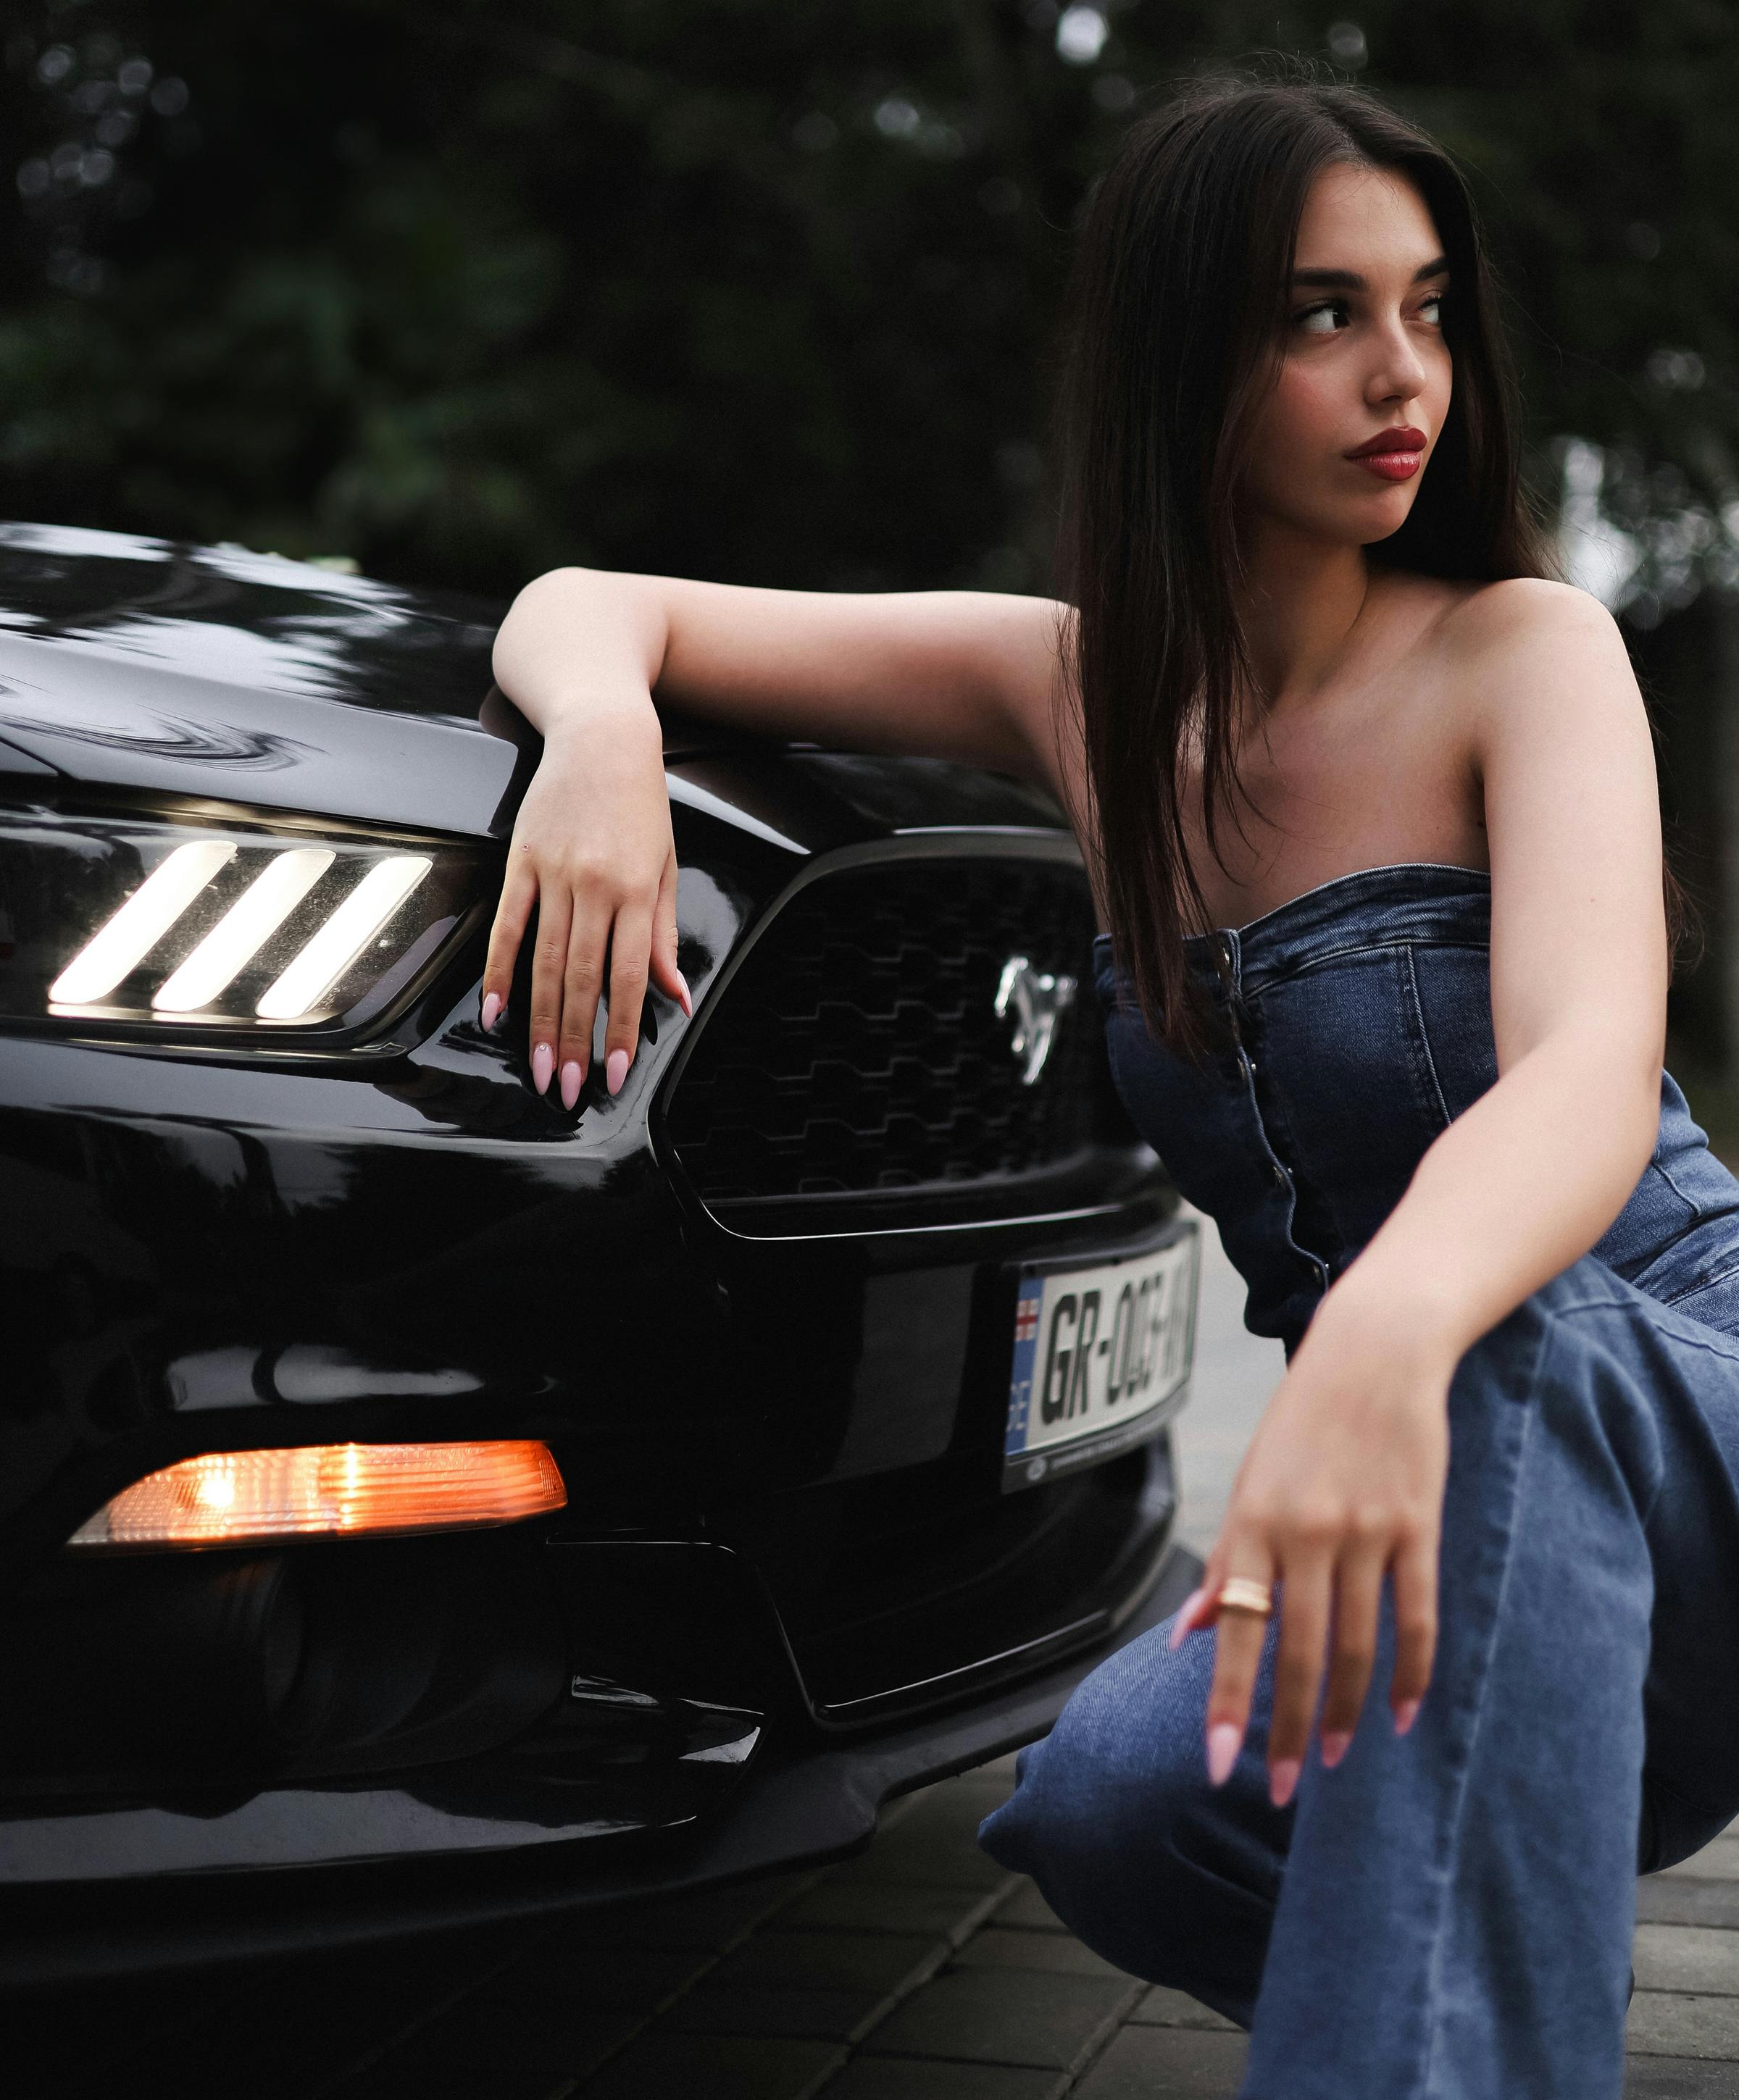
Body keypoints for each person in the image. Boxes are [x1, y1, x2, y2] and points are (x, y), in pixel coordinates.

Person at [483, 64, 1739, 2100]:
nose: (1400, 370)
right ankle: (1485, 1987)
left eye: (1428, 308)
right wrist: (603, 744)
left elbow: (1594, 1063)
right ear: (1184, 355)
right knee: (1117, 1805)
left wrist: (1387, 1331)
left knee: (1504, 1350)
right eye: (1321, 313)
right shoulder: (1080, 694)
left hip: (1661, 1393)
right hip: (1439, 1485)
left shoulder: (1525, 652)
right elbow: (587, 607)